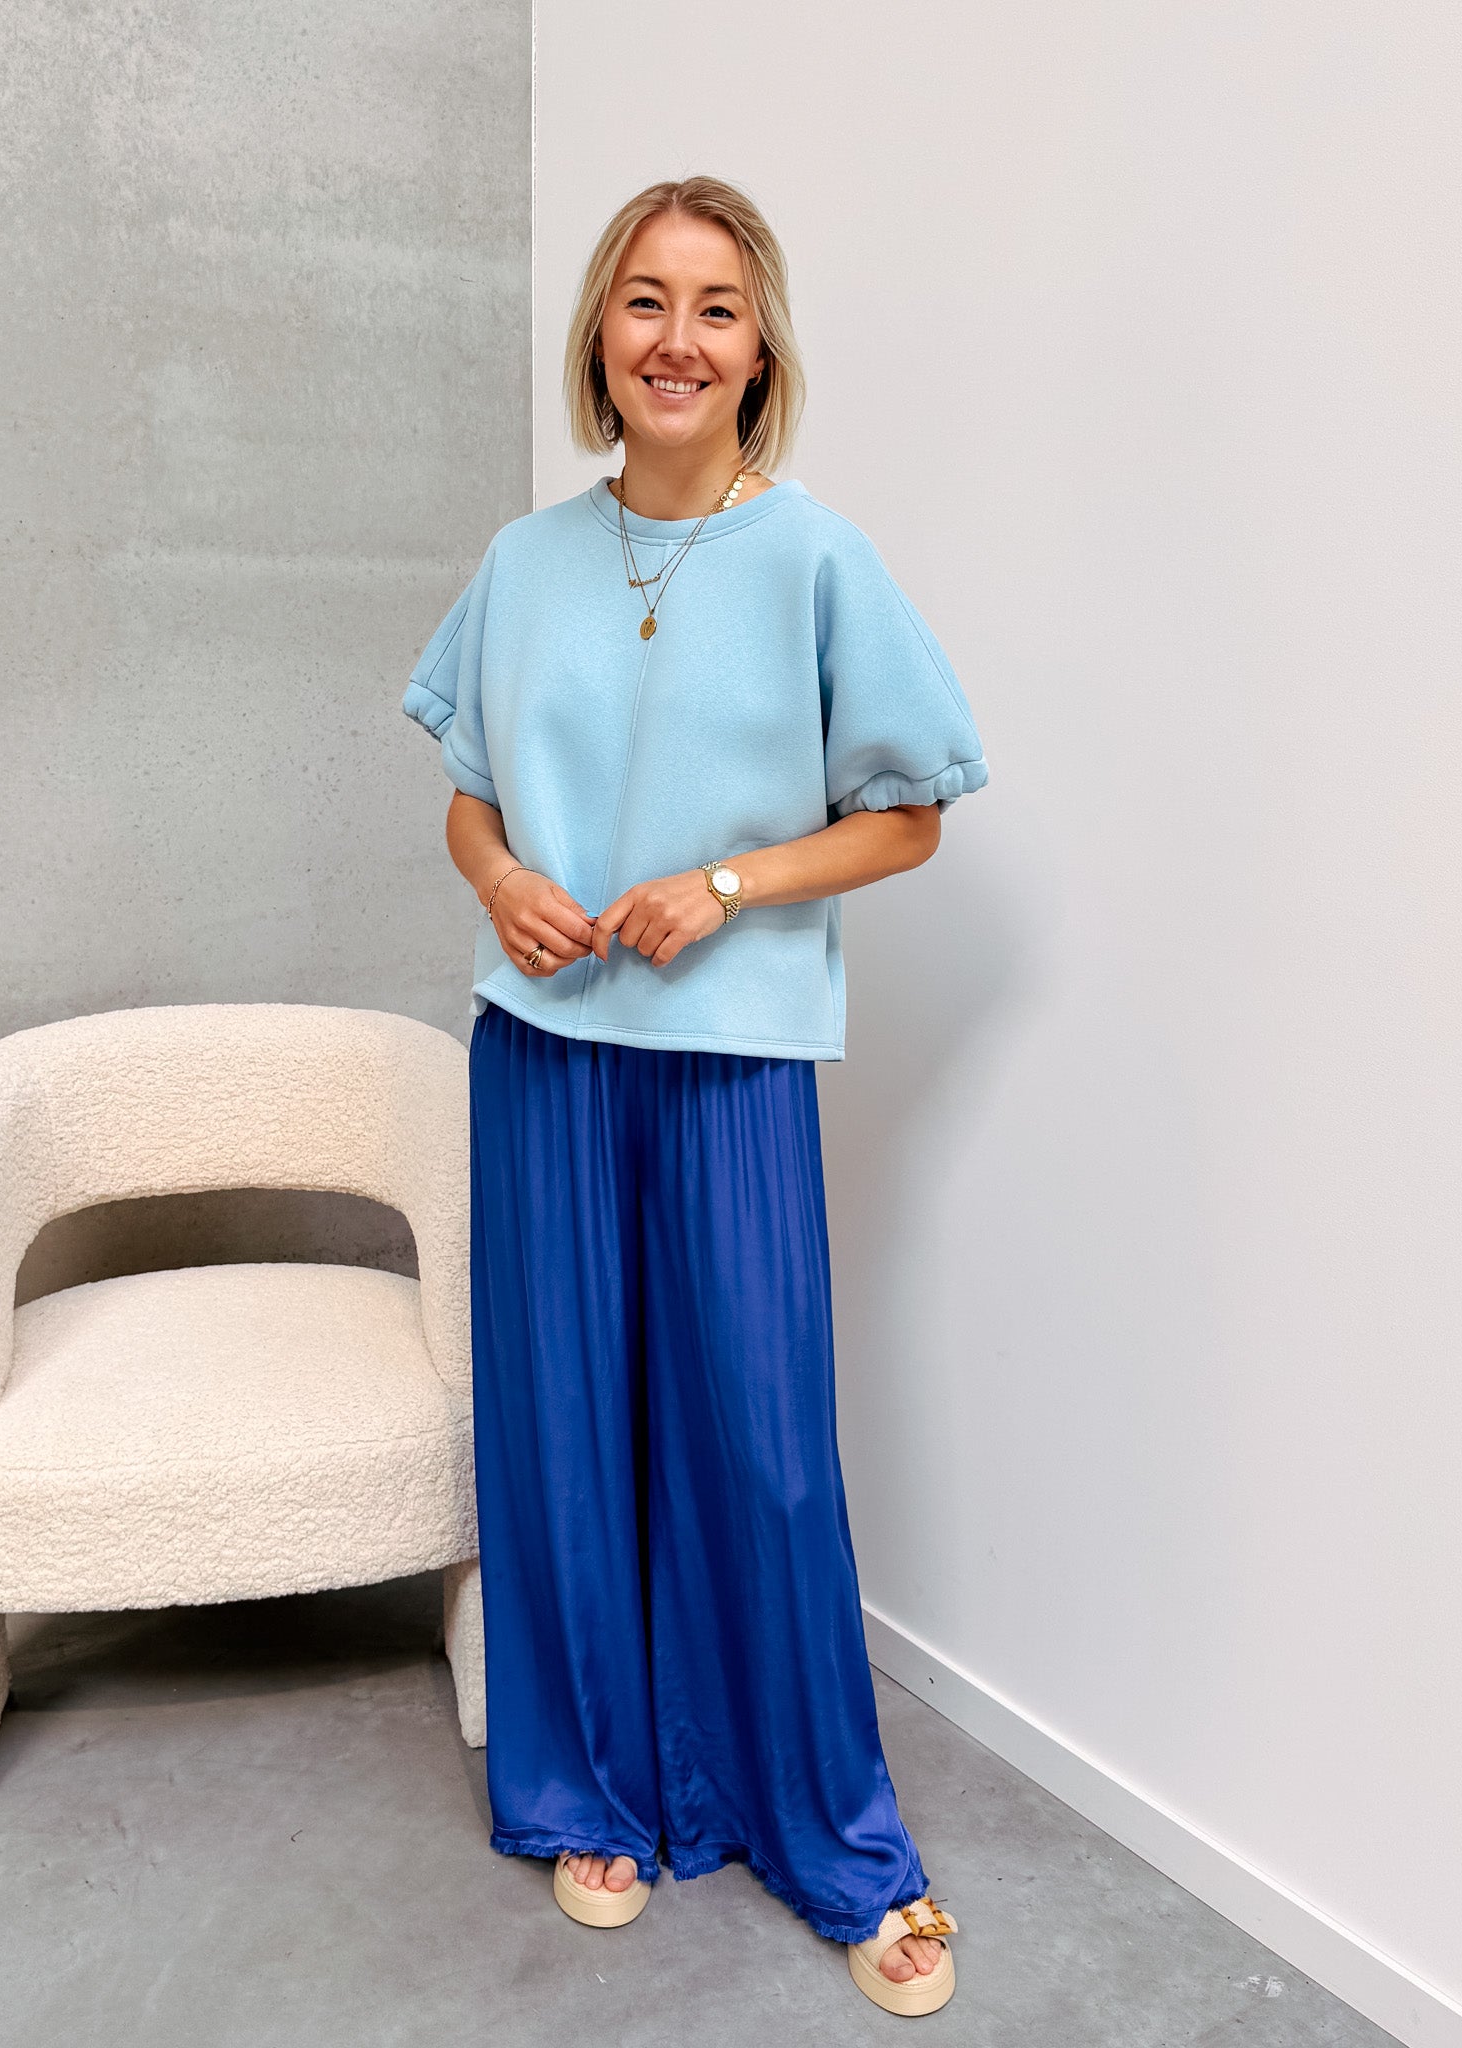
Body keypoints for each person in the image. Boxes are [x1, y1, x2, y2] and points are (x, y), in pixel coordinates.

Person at [401, 175, 988, 2019]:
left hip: (730, 1054)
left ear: (758, 352)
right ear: (599, 336)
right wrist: (502, 879)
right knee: (563, 1427)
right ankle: (587, 1793)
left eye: (715, 306)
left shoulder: (815, 559)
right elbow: (467, 795)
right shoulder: (523, 562)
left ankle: (836, 1839)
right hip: (541, 1044)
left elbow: (908, 815)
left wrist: (725, 884)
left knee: (756, 1438)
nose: (676, 337)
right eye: (643, 300)